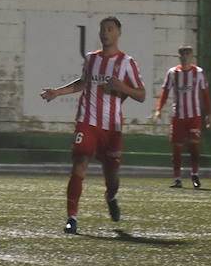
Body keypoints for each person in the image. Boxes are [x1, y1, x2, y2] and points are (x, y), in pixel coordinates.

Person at [40, 15, 146, 234]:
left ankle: (111, 197)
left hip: (112, 128)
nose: (105, 33)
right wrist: (57, 92)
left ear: (118, 33)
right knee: (79, 163)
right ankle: (72, 218)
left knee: (112, 178)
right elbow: (83, 82)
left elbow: (141, 95)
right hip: (87, 122)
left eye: (109, 29)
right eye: (102, 29)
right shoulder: (92, 59)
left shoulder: (126, 62)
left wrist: (121, 87)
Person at [151, 45, 211, 188]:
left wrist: (209, 113)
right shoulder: (172, 73)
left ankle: (195, 175)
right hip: (178, 116)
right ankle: (177, 178)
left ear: (191, 56)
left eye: (187, 53)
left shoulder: (199, 72)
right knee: (177, 148)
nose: (185, 56)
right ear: (179, 56)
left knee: (194, 147)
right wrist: (158, 109)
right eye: (182, 54)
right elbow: (165, 92)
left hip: (194, 116)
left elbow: (205, 95)